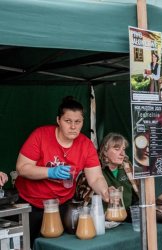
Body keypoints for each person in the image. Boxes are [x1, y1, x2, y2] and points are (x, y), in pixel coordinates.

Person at [15, 96, 109, 246]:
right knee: (27, 245)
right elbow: (22, 168)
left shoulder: (86, 144)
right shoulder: (41, 135)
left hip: (63, 205)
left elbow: (96, 178)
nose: (73, 127)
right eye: (68, 121)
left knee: (61, 245)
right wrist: (50, 172)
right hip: (30, 204)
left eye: (78, 122)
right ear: (58, 120)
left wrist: (105, 192)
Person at [98, 133, 139, 219]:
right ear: (105, 152)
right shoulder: (95, 171)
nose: (122, 154)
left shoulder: (128, 168)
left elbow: (137, 195)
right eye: (117, 149)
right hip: (103, 219)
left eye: (123, 149)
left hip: (127, 218)